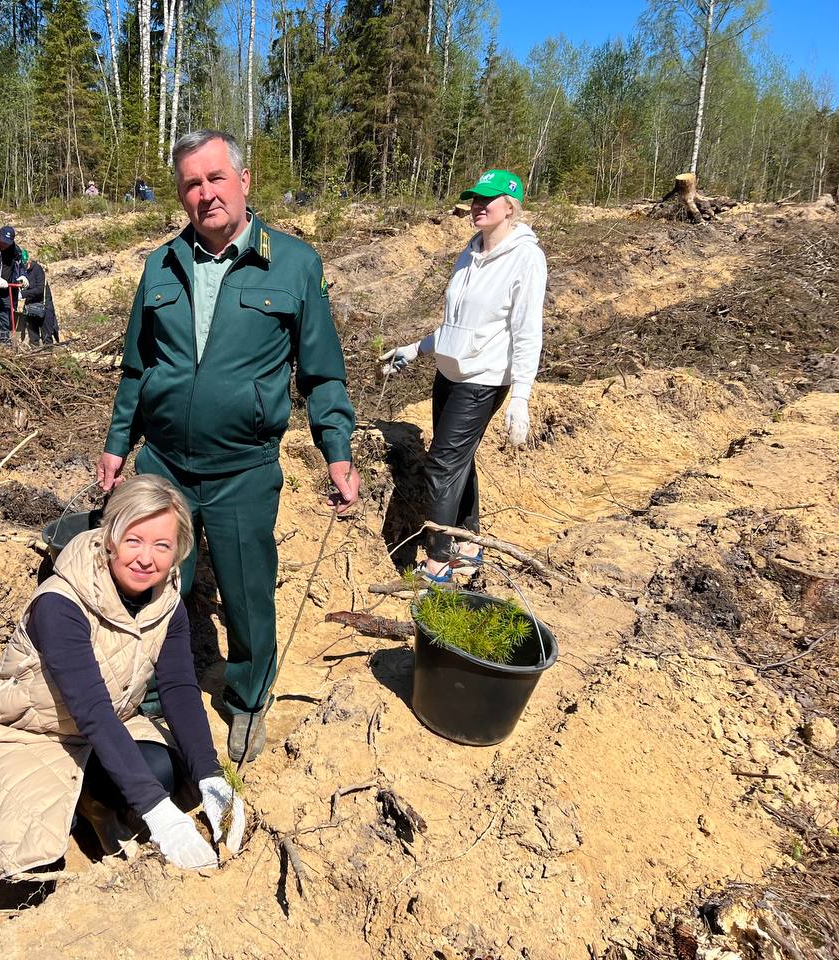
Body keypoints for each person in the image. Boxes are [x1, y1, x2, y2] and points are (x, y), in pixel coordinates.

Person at [97, 130, 359, 763]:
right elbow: (137, 367)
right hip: (163, 466)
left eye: (215, 178)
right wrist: (117, 443)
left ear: (245, 181)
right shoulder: (161, 266)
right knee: (159, 590)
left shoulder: (294, 264)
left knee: (245, 593)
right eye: (191, 183)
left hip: (244, 467)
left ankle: (247, 700)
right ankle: (157, 700)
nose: (205, 193)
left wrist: (338, 449)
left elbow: (321, 372)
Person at [0, 474, 246, 886]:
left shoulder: (166, 602)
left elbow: (179, 689)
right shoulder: (60, 604)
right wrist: (158, 813)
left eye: (162, 546)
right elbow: (91, 709)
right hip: (28, 732)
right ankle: (74, 811)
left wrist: (211, 775)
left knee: (163, 771)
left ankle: (94, 803)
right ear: (109, 537)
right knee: (34, 864)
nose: (146, 558)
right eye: (133, 540)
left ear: (179, 552)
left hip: (104, 727)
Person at [380, 169, 546, 583]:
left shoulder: (526, 257)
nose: (477, 206)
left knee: (440, 466)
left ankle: (438, 562)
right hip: (448, 372)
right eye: (474, 198)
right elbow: (456, 324)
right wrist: (415, 349)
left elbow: (527, 331)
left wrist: (521, 398)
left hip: (484, 378)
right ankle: (469, 543)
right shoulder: (468, 253)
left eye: (486, 200)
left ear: (510, 206)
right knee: (459, 460)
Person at [15, 250, 59, 347]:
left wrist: (23, 294)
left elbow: (39, 289)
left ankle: (48, 353)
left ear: (28, 262)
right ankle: (35, 354)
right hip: (30, 305)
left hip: (44, 304)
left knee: (46, 334)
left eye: (24, 264)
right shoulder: (18, 271)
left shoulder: (37, 269)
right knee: (33, 335)